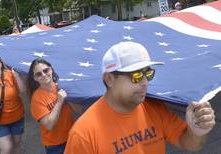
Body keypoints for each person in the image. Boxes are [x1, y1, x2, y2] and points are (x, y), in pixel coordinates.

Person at [64, 41, 216, 154]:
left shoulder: (155, 109)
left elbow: (189, 143)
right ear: (109, 79)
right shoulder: (83, 134)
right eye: (136, 75)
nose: (145, 82)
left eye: (148, 73)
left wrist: (197, 132)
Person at [27, 58, 75, 154]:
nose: (44, 75)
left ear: (51, 69)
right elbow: (49, 125)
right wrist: (59, 102)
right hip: (55, 145)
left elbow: (78, 110)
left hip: (73, 137)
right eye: (38, 74)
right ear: (35, 78)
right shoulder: (37, 99)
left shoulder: (63, 86)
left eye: (46, 70)